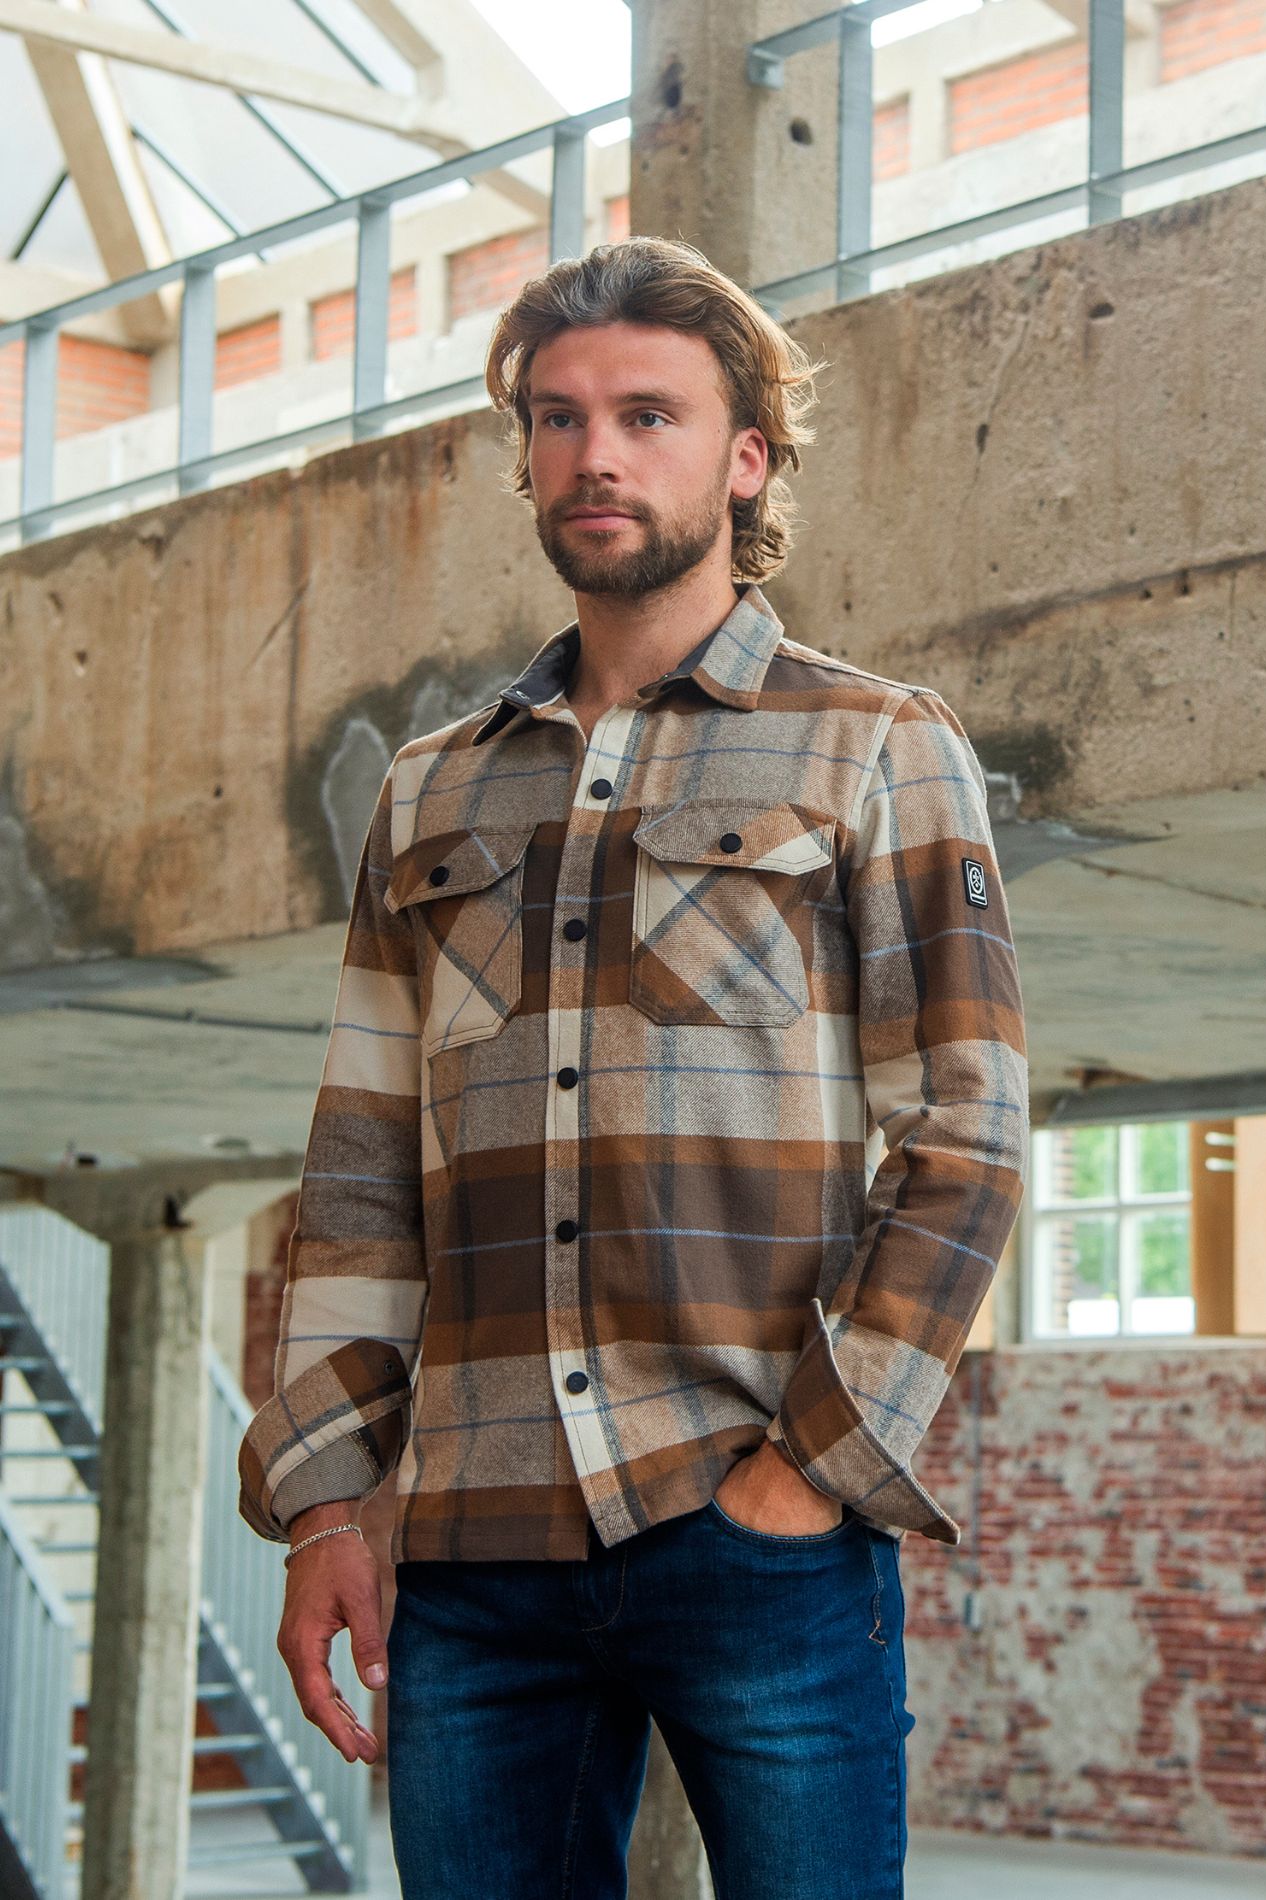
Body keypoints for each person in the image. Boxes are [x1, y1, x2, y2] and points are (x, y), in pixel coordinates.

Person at [237, 235, 1030, 1900]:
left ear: (746, 459)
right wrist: (324, 1509)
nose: (596, 454)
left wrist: (809, 1474)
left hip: (756, 1526)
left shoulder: (876, 745)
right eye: (559, 417)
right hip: (470, 1558)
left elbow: (966, 1137)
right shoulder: (431, 790)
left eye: (649, 416)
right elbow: (362, 1172)